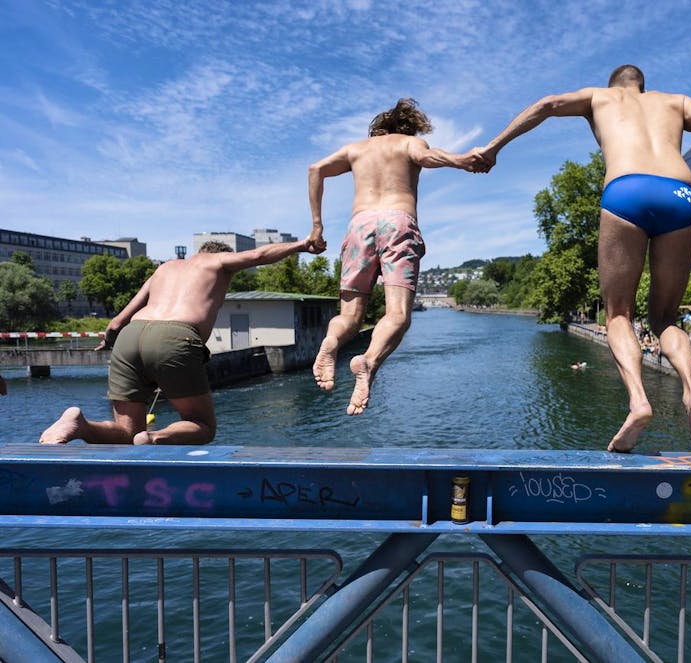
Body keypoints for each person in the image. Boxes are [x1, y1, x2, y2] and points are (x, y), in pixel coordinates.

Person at [471, 64, 691, 452]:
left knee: (618, 313)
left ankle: (638, 402)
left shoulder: (600, 96)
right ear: (644, 85)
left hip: (627, 187)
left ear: (616, 85)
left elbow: (547, 104)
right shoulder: (674, 102)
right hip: (680, 193)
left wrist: (493, 148)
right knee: (665, 316)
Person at [39, 238, 324, 445]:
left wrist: (110, 343)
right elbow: (261, 254)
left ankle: (79, 425)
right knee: (202, 426)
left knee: (125, 434)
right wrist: (301, 245)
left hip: (130, 336)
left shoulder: (164, 268)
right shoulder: (219, 261)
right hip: (175, 337)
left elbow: (115, 323)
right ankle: (153, 438)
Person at [308, 98, 483, 415]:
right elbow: (428, 156)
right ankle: (368, 362)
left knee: (348, 317)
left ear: (378, 129)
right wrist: (461, 160)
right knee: (398, 315)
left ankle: (332, 342)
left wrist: (317, 227)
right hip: (397, 223)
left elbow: (315, 169)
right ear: (408, 126)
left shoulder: (355, 149)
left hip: (359, 226)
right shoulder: (409, 143)